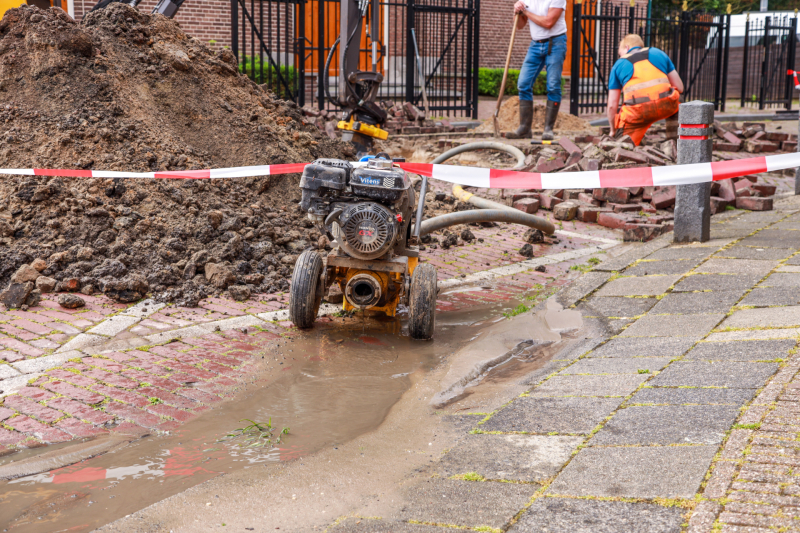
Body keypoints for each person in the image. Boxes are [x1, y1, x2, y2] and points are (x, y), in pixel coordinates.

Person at [506, 0, 567, 140]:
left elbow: (548, 23)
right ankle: (524, 129)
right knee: (523, 83)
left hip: (556, 43)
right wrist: (517, 12)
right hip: (535, 44)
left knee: (553, 85)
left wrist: (526, 12)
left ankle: (548, 129)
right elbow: (520, 26)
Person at [607, 34, 684, 146]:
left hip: (636, 112)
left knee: (623, 145)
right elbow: (680, 87)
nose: (620, 56)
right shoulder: (659, 53)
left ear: (627, 48)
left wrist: (613, 130)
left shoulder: (618, 64)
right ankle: (676, 144)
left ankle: (631, 146)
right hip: (666, 105)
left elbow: (612, 106)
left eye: (620, 53)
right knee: (679, 99)